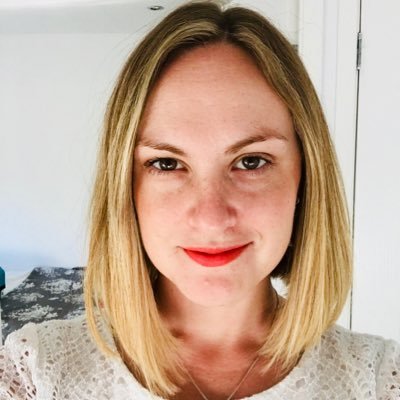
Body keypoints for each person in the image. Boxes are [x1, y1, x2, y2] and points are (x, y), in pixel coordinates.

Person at [1, 1, 399, 399]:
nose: (211, 218)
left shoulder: (378, 380)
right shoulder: (35, 372)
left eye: (251, 161)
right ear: (126, 189)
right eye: (167, 164)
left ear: (305, 179)